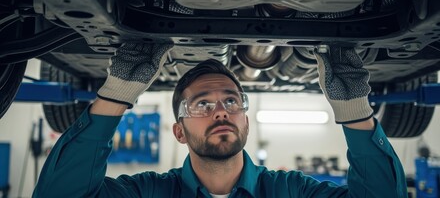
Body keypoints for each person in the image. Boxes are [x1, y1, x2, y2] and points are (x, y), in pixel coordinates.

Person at [33, 42, 407, 198]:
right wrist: (116, 93)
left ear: (246, 122)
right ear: (179, 132)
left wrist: (354, 108)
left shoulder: (291, 190)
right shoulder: (148, 192)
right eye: (201, 104)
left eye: (231, 100)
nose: (220, 111)